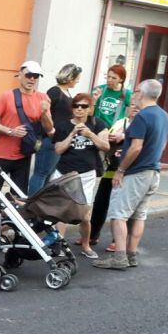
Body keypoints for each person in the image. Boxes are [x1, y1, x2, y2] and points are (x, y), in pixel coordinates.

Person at [94, 79, 168, 270]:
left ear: (142, 94)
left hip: (137, 172)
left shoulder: (143, 116)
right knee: (139, 215)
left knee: (119, 214)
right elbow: (160, 144)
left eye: (136, 91)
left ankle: (119, 257)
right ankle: (131, 254)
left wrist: (121, 170)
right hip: (154, 171)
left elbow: (136, 147)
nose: (134, 94)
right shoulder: (163, 115)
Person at [52, 93, 109, 260]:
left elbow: (105, 146)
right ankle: (59, 243)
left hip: (86, 174)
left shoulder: (98, 124)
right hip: (65, 172)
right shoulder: (63, 126)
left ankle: (86, 244)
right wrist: (72, 135)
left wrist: (90, 134)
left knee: (84, 214)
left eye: (84, 106)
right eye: (76, 106)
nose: (79, 109)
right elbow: (58, 150)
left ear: (90, 109)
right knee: (62, 210)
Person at [0, 61, 54, 194]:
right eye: (29, 75)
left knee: (19, 196)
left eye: (36, 76)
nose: (32, 79)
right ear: (20, 75)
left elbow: (49, 130)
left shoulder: (42, 97)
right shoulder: (7, 96)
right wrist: (10, 131)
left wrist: (45, 113)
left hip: (24, 154)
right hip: (2, 154)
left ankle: (11, 215)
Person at [91, 93, 140, 250]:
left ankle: (117, 241)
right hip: (112, 167)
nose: (135, 109)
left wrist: (124, 136)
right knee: (100, 202)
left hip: (129, 172)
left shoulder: (143, 123)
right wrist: (111, 137)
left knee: (120, 206)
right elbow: (107, 139)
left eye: (138, 106)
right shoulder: (121, 122)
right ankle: (92, 235)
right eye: (132, 105)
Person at [30, 63, 81, 194]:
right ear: (70, 78)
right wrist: (51, 130)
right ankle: (31, 202)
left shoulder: (67, 93)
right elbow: (43, 113)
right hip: (49, 139)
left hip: (59, 140)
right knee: (41, 173)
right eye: (77, 78)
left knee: (48, 174)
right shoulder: (55, 91)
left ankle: (39, 203)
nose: (78, 80)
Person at [92, 65, 133, 129]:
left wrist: (125, 127)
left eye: (114, 78)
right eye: (108, 77)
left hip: (113, 131)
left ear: (121, 79)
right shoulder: (99, 89)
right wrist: (94, 100)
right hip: (96, 128)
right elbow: (88, 111)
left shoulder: (126, 93)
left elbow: (135, 111)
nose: (109, 80)